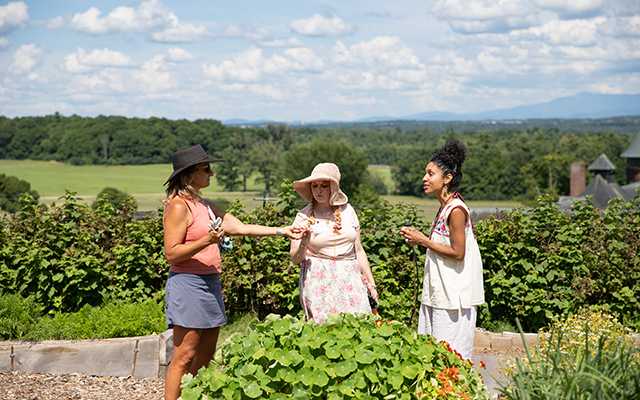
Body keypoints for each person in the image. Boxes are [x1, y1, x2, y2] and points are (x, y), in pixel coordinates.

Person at [162, 144, 301, 400]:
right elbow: (171, 253)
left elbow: (239, 227)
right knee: (184, 356)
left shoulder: (204, 204)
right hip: (189, 284)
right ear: (190, 174)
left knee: (205, 354)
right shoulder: (179, 206)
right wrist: (207, 240)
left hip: (210, 283)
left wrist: (282, 230)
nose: (211, 174)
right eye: (206, 169)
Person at [399, 139, 484, 360]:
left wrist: (423, 241)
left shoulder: (456, 210)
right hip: (439, 294)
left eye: (430, 173)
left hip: (452, 299)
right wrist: (419, 240)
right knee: (431, 354)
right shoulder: (445, 207)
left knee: (450, 358)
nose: (424, 179)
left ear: (447, 178)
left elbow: (458, 252)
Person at [290, 162, 378, 324]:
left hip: (350, 277)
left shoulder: (348, 211)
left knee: (358, 325)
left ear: (333, 187)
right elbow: (295, 259)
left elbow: (358, 250)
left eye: (324, 185)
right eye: (315, 186)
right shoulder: (303, 217)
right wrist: (304, 241)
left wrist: (371, 283)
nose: (318, 190)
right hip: (319, 279)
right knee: (325, 329)